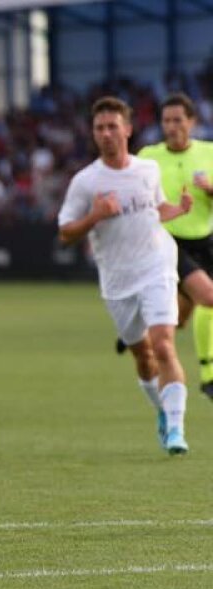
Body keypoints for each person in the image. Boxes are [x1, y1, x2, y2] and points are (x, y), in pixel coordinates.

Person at [58, 96, 195, 455]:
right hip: (118, 281)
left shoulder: (147, 170)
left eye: (112, 126)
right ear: (93, 133)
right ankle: (162, 413)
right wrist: (94, 216)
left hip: (157, 266)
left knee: (164, 343)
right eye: (100, 128)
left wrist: (177, 209)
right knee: (144, 357)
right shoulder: (86, 182)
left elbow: (156, 209)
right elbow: (65, 233)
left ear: (127, 130)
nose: (106, 133)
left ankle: (178, 429)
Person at [136, 92, 213, 401]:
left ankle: (136, 337)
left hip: (204, 242)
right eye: (166, 120)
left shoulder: (209, 153)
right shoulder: (147, 157)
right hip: (167, 244)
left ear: (192, 122)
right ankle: (209, 375)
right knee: (209, 296)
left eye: (178, 120)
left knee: (177, 320)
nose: (172, 126)